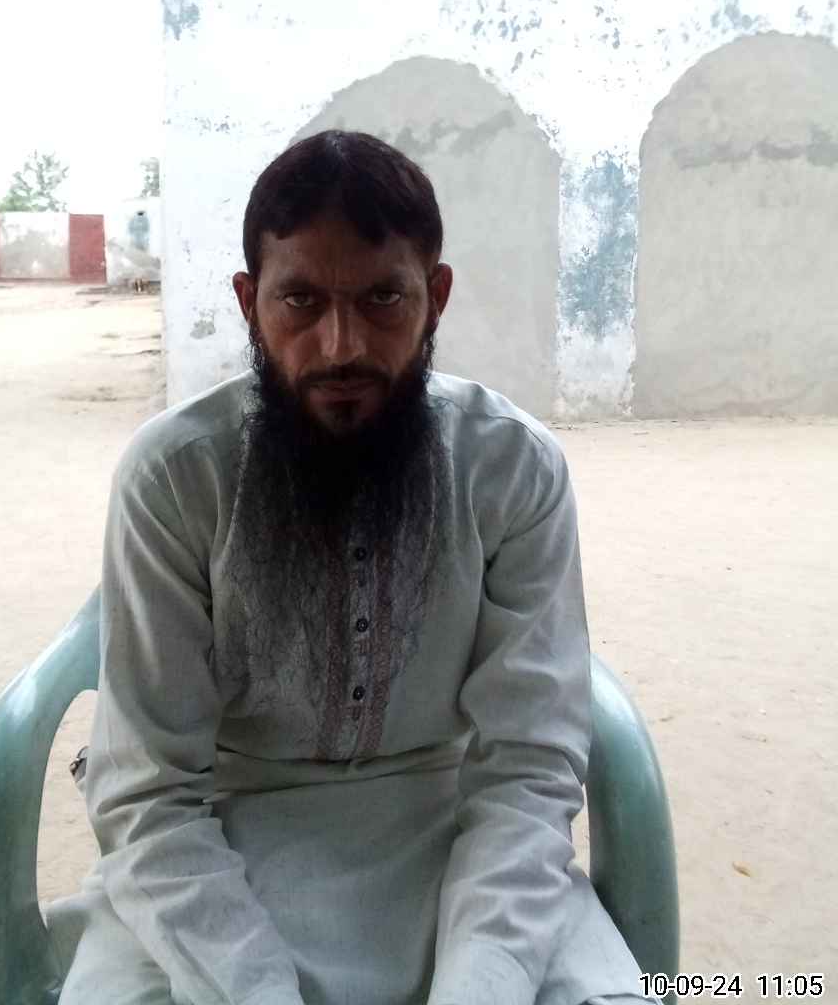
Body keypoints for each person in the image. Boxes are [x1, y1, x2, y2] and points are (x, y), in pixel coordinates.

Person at [48, 130, 647, 1005]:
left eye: (382, 298)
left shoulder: (514, 469)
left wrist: (479, 986)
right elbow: (150, 794)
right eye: (300, 301)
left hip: (463, 846)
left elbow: (526, 769)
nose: (340, 346)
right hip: (216, 855)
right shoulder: (174, 476)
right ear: (250, 302)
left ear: (435, 297)